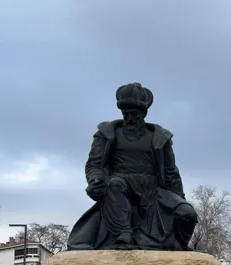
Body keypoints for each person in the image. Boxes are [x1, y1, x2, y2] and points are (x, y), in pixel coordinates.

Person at [67, 83, 198, 251]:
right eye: (125, 113)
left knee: (188, 214)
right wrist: (95, 179)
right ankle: (123, 235)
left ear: (144, 113)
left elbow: (171, 172)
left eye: (134, 114)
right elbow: (94, 164)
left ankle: (177, 245)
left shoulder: (160, 137)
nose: (129, 118)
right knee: (115, 183)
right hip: (120, 186)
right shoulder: (106, 133)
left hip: (153, 190)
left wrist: (179, 199)